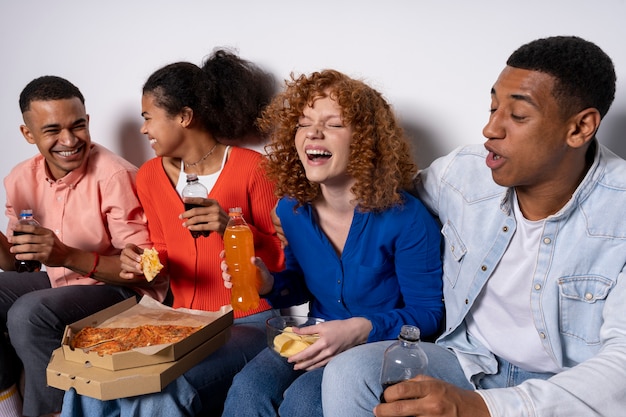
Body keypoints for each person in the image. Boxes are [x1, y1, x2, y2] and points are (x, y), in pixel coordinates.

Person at [321, 35, 626, 417]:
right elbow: (382, 200)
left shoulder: (619, 212)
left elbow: (620, 367)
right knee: (351, 373)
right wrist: (306, 213)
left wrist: (481, 407)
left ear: (580, 128)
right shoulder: (462, 174)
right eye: (493, 107)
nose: (490, 129)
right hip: (470, 360)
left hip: (567, 385)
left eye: (517, 116)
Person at [61, 50, 284, 417]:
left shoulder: (253, 169)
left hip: (247, 322)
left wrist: (232, 227)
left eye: (148, 117)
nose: (143, 128)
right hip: (180, 320)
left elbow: (282, 257)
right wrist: (143, 261)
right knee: (88, 377)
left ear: (184, 117)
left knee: (163, 389)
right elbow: (163, 250)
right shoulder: (149, 175)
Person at [220, 69, 444, 417]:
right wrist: (268, 282)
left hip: (378, 346)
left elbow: (428, 314)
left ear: (366, 140)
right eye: (303, 123)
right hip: (314, 333)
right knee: (247, 390)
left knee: (305, 403)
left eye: (333, 124)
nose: (313, 133)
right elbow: (297, 285)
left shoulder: (408, 217)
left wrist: (356, 330)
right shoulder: (290, 210)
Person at [0, 76, 168, 417]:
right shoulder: (20, 178)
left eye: (78, 126)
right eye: (52, 131)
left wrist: (63, 255)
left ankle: (55, 412)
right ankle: (7, 404)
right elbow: (18, 266)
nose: (69, 140)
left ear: (88, 121)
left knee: (29, 314)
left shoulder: (114, 176)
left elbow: (144, 274)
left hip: (124, 292)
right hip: (60, 282)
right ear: (28, 134)